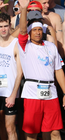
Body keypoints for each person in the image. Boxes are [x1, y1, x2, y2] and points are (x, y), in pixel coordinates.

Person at [17, 0, 65, 140]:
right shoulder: (24, 45)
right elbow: (21, 30)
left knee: (54, 131)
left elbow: (58, 71)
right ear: (29, 32)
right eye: (34, 30)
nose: (38, 33)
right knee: (32, 133)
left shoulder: (50, 46)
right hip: (32, 93)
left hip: (51, 93)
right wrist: (23, 9)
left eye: (40, 29)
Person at [0, 12, 23, 140]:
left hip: (10, 92)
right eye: (0, 26)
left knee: (10, 128)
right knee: (1, 126)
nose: (3, 29)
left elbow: (20, 72)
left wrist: (14, 94)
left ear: (10, 26)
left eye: (5, 26)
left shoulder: (16, 43)